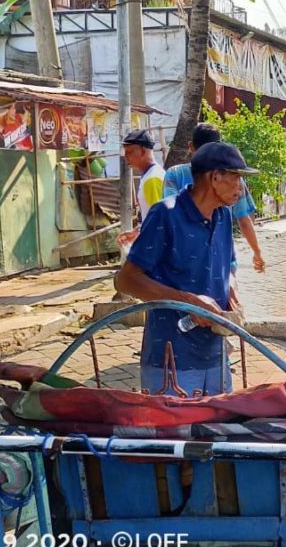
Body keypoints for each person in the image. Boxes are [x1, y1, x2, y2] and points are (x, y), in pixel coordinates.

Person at [116, 142, 256, 397]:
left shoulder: (223, 216)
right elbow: (126, 280)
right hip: (172, 356)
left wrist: (230, 289)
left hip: (215, 353)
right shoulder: (165, 215)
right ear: (215, 177)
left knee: (217, 429)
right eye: (236, 178)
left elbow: (226, 265)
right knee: (175, 433)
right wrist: (190, 302)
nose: (240, 187)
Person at [164, 123, 265, 273]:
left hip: (215, 265)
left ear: (191, 146)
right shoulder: (228, 180)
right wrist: (257, 252)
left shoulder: (223, 213)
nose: (237, 186)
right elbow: (243, 220)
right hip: (188, 269)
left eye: (238, 178)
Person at [116, 129, 165, 249]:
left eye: (129, 152)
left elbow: (160, 220)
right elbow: (151, 217)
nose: (126, 156)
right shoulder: (150, 176)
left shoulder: (153, 179)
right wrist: (138, 231)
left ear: (143, 151)